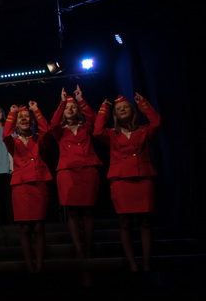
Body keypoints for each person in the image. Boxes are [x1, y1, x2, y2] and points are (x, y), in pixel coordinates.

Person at [94, 92, 161, 272]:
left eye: (125, 107)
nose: (122, 110)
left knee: (145, 222)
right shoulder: (111, 134)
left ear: (132, 111)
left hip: (143, 178)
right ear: (115, 114)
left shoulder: (143, 131)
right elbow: (97, 131)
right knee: (125, 222)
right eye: (119, 109)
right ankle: (132, 263)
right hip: (121, 181)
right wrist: (104, 108)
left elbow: (156, 123)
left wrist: (143, 103)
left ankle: (146, 262)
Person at [50, 86, 102, 260]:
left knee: (88, 212)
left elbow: (94, 118)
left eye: (73, 107)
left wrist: (80, 100)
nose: (70, 110)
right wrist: (62, 102)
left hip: (87, 170)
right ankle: (78, 249)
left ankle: (89, 247)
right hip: (67, 172)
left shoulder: (85, 127)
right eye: (67, 108)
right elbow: (53, 123)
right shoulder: (60, 131)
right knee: (72, 212)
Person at [3, 102, 53, 273]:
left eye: (27, 117)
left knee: (39, 227)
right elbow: (5, 134)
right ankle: (30, 267)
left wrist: (36, 110)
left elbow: (47, 130)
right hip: (21, 186)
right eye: (21, 118)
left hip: (38, 184)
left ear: (31, 121)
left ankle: (39, 266)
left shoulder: (38, 138)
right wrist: (12, 113)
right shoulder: (13, 142)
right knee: (25, 228)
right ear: (16, 122)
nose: (24, 119)